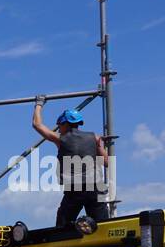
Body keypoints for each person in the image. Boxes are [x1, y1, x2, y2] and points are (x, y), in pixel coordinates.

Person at [32, 98, 109, 230]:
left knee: (63, 227)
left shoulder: (61, 139)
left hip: (75, 189)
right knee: (103, 227)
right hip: (97, 187)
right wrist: (100, 145)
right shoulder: (95, 137)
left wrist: (39, 104)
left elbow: (37, 125)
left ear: (65, 123)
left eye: (59, 125)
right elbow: (106, 162)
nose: (59, 129)